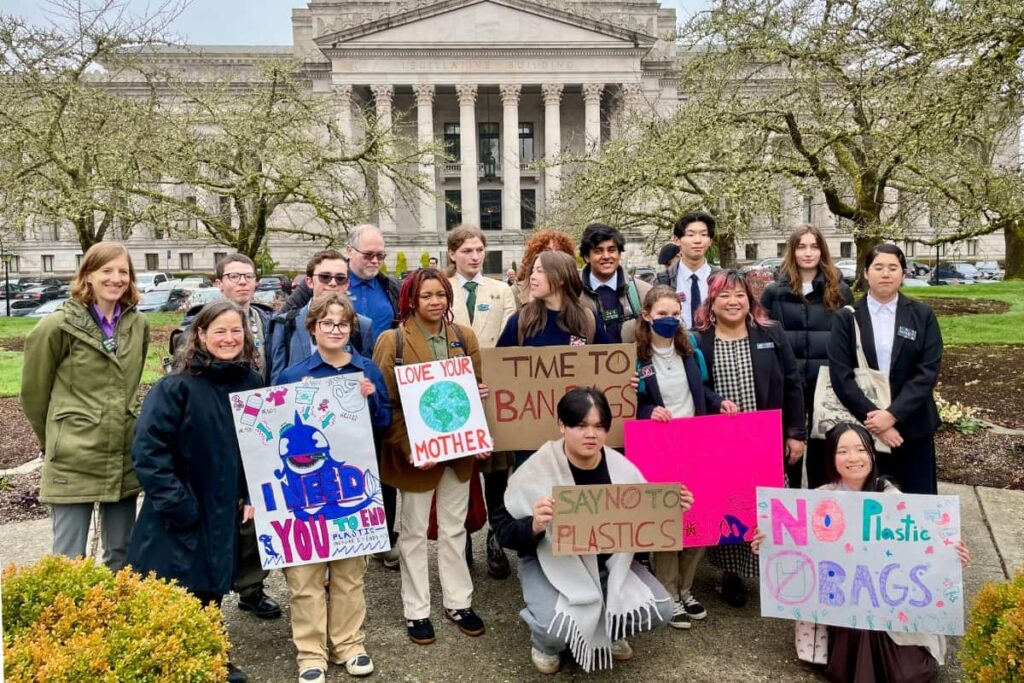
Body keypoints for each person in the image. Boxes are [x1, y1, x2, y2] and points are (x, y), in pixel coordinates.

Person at [751, 422, 970, 683]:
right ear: (831, 458)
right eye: (842, 451)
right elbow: (796, 550)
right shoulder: (817, 501)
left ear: (872, 454)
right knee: (859, 624)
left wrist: (951, 555)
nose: (853, 458)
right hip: (839, 602)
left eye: (860, 449)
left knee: (910, 672)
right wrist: (768, 543)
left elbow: (920, 549)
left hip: (889, 600)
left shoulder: (892, 498)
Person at [491, 388, 689, 674]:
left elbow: (642, 533)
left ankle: (610, 628)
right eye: (580, 425)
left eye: (599, 426)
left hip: (609, 565)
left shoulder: (622, 469)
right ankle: (544, 643)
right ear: (562, 425)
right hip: (551, 565)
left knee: (661, 609)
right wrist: (533, 525)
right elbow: (503, 529)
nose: (590, 434)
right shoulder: (537, 468)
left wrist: (671, 511)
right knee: (555, 629)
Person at [128, 300, 263, 683]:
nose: (229, 338)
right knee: (177, 587)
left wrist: (250, 491)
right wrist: (180, 505)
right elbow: (148, 453)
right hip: (180, 510)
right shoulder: (175, 388)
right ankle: (176, 659)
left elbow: (259, 444)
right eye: (219, 331)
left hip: (226, 506)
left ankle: (210, 653)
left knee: (212, 585)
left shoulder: (252, 384)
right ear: (200, 335)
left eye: (236, 330)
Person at [276, 292, 391, 682]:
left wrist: (372, 402)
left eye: (343, 324)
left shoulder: (366, 371)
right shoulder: (293, 376)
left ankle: (349, 643)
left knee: (349, 573)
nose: (335, 330)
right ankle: (310, 653)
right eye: (327, 323)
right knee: (304, 577)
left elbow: (385, 425)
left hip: (350, 489)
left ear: (351, 329)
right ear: (313, 328)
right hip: (304, 496)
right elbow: (272, 438)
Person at [372, 268, 489, 646]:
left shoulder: (464, 337)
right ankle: (416, 609)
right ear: (411, 300)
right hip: (415, 456)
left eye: (441, 294)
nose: (436, 301)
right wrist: (410, 448)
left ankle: (459, 602)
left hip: (458, 454)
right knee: (414, 533)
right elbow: (385, 405)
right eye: (427, 296)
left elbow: (473, 399)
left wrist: (479, 439)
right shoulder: (393, 342)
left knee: (455, 530)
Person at [21, 241, 149, 573]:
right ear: (88, 275)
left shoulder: (138, 325)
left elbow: (131, 384)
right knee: (68, 559)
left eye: (123, 271)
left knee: (121, 552)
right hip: (73, 456)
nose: (116, 278)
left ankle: (111, 620)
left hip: (121, 453)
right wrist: (54, 440)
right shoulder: (57, 326)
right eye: (107, 270)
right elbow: (34, 395)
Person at [169, 253, 281, 619]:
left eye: (248, 276)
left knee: (254, 516)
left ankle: (252, 587)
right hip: (214, 428)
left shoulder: (269, 319)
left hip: (259, 421)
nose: (242, 283)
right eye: (234, 276)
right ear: (219, 282)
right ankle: (207, 601)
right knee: (220, 517)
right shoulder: (196, 324)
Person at [694, 269, 805, 608]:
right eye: (724, 295)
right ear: (711, 303)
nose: (733, 301)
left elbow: (792, 383)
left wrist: (795, 434)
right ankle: (731, 576)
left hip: (764, 440)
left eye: (740, 295)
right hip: (719, 444)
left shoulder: (770, 333)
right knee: (729, 506)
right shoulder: (699, 340)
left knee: (768, 506)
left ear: (750, 300)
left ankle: (781, 574)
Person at [633, 285, 737, 630]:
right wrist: (649, 410)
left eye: (674, 314)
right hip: (660, 447)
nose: (669, 320)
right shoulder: (636, 357)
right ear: (647, 315)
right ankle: (667, 592)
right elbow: (630, 403)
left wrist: (718, 400)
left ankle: (687, 589)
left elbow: (701, 388)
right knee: (667, 518)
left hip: (696, 443)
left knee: (699, 516)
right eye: (661, 314)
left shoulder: (690, 349)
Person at [828, 244, 943, 495]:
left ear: (903, 273)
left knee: (917, 503)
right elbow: (841, 376)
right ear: (866, 273)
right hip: (864, 432)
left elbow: (927, 372)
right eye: (878, 267)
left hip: (913, 427)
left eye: (893, 268)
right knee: (871, 508)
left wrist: (892, 415)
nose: (886, 274)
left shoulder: (922, 315)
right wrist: (876, 420)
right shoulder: (847, 317)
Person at [446, 225, 517, 580]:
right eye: (467, 250)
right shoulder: (442, 292)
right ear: (452, 254)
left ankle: (496, 538)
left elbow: (506, 340)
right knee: (462, 473)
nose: (474, 256)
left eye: (479, 250)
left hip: (492, 391)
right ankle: (461, 541)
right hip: (456, 395)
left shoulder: (501, 290)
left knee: (498, 474)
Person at [761, 225, 853, 488]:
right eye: (801, 247)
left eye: (814, 246)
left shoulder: (839, 289)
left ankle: (822, 505)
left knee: (824, 448)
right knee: (789, 445)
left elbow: (849, 339)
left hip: (826, 381)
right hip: (788, 381)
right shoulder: (774, 292)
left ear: (822, 251)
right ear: (792, 251)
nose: (808, 253)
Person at [269, 249, 375, 383]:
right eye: (325, 277)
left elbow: (368, 377)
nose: (332, 283)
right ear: (309, 282)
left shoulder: (363, 325)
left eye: (340, 278)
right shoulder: (285, 323)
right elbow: (276, 384)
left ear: (347, 284)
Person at [497, 250, 611, 348]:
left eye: (540, 271)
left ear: (561, 278)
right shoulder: (521, 320)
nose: (532, 276)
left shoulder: (587, 319)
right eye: (533, 271)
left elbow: (608, 362)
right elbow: (499, 363)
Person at [578, 222, 652, 343]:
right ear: (587, 257)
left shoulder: (643, 292)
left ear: (619, 254)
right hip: (588, 361)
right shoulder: (572, 293)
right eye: (598, 251)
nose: (606, 256)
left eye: (612, 250)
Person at [657, 211, 719, 330]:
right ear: (677, 240)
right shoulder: (663, 281)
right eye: (690, 235)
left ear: (710, 240)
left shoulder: (722, 279)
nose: (697, 240)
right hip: (677, 344)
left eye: (703, 234)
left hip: (715, 344)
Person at [511, 228, 577, 308]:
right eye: (547, 251)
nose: (552, 257)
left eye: (559, 252)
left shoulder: (575, 292)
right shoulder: (515, 292)